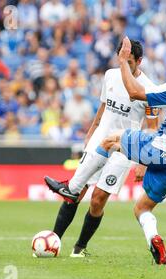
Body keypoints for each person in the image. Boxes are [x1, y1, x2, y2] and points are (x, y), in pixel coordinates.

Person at [46, 37, 166, 265]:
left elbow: (135, 93)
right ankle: (154, 239)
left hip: (161, 148)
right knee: (141, 208)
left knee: (110, 142)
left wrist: (122, 63)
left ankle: (72, 188)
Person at [44, 39, 159, 258]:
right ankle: (53, 241)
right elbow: (104, 106)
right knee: (74, 192)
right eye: (122, 60)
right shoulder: (110, 76)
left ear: (140, 61)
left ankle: (79, 248)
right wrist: (92, 131)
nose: (125, 65)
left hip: (124, 150)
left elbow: (153, 128)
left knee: (97, 200)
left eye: (130, 62)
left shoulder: (150, 90)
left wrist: (143, 162)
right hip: (99, 141)